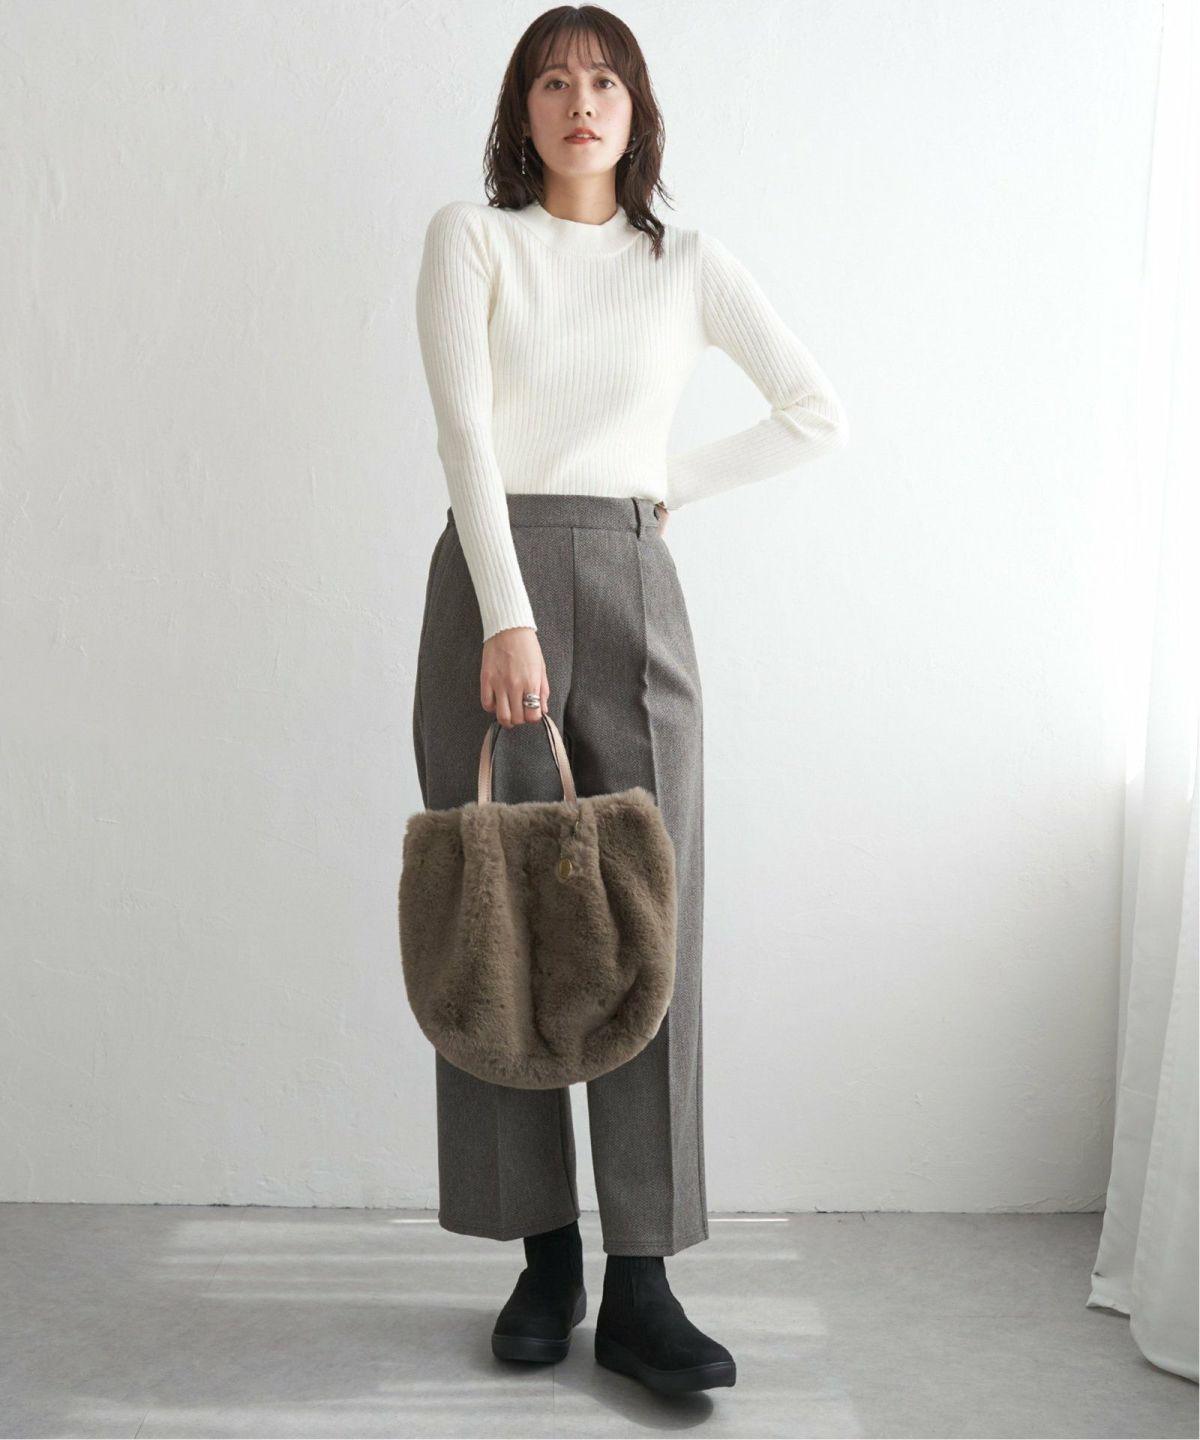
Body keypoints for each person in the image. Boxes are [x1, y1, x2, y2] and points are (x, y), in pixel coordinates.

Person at [411, 5, 848, 1398]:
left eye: (605, 80)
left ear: (638, 110)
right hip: (494, 584)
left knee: (649, 924)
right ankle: (543, 1256)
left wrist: (669, 490)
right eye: (553, 81)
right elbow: (465, 432)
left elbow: (814, 410)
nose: (580, 101)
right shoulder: (474, 241)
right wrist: (508, 615)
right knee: (503, 918)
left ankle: (644, 1280)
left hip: (635, 585)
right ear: (521, 111)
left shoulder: (689, 264)